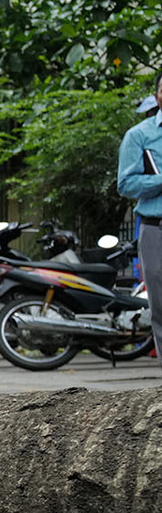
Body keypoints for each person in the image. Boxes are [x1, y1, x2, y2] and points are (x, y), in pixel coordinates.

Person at [117, 80, 162, 343]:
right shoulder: (139, 135)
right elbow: (126, 184)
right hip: (156, 229)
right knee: (160, 306)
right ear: (157, 97)